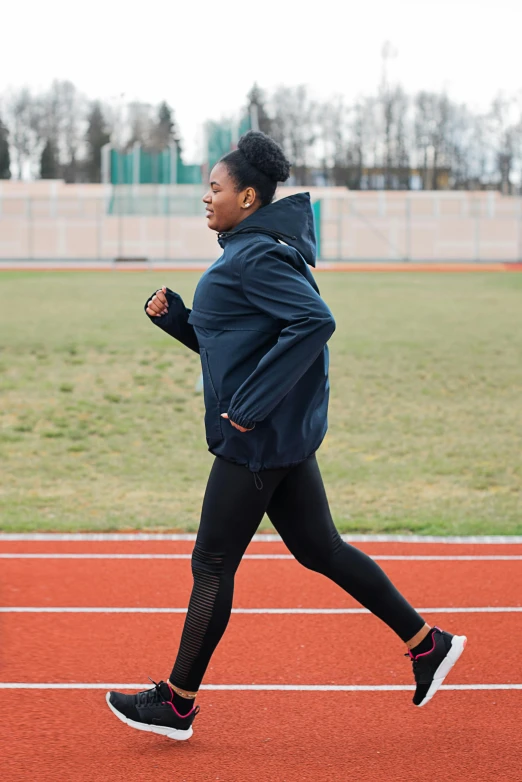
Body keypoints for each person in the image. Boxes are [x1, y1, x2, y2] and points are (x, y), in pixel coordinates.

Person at [106, 131, 466, 741]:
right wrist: (181, 323)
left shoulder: (256, 255)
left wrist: (246, 409)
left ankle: (177, 702)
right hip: (274, 438)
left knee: (212, 562)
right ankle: (426, 643)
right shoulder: (250, 248)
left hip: (255, 441)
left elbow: (314, 322)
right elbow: (242, 345)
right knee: (319, 548)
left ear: (247, 195)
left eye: (214, 189)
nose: (206, 198)